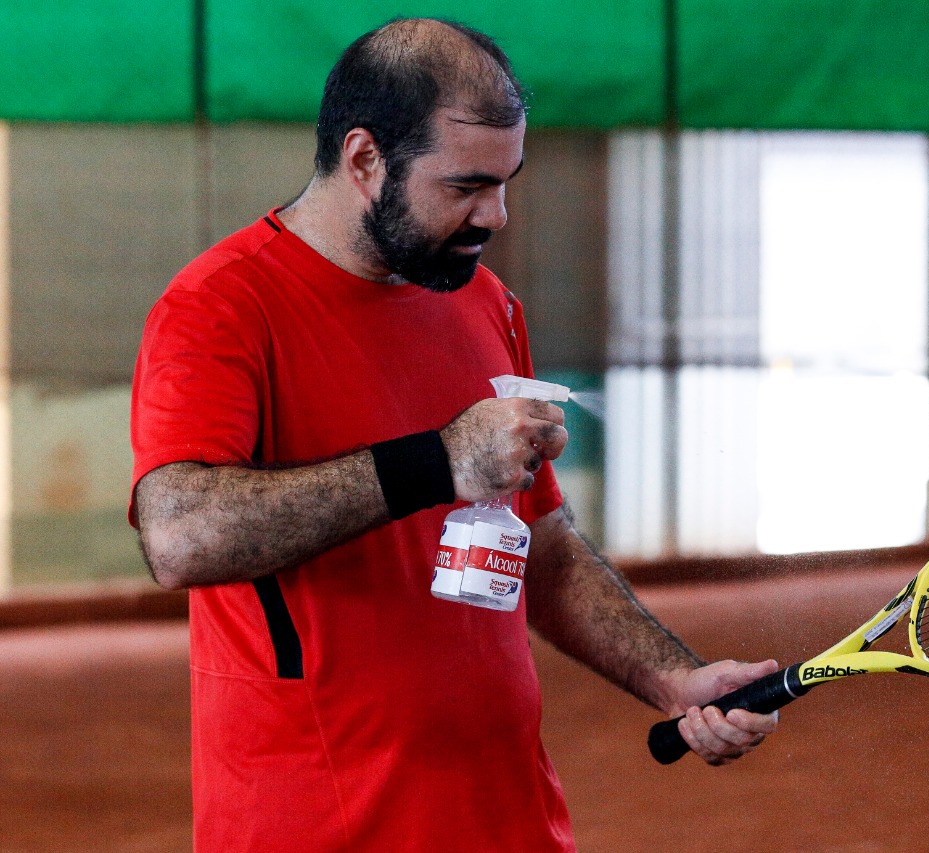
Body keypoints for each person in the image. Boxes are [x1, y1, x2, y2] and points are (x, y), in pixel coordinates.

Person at [129, 17, 778, 852]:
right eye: (466, 185)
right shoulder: (219, 307)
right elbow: (179, 536)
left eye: (507, 181)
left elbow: (542, 545)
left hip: (508, 819)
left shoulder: (485, 303)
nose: (497, 214)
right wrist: (436, 462)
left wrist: (674, 677)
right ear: (365, 160)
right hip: (321, 825)